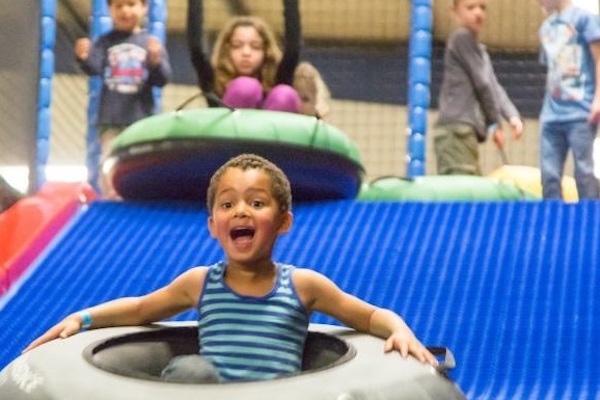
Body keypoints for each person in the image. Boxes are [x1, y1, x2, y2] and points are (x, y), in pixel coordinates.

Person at [24, 153, 437, 383]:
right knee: (192, 370)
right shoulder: (200, 282)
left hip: (274, 395)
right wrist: (83, 317)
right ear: (213, 226)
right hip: (209, 393)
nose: (241, 210)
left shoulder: (303, 285)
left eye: (257, 203)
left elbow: (366, 315)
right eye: (228, 204)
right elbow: (140, 310)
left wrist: (399, 330)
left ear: (283, 222)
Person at [75, 0, 172, 199]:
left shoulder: (150, 42)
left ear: (144, 7)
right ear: (110, 10)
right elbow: (93, 67)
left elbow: (162, 79)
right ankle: (112, 197)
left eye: (131, 4)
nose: (125, 10)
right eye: (119, 6)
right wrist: (83, 56)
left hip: (141, 119)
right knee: (109, 160)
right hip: (111, 117)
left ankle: (141, 195)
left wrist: (155, 61)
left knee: (141, 161)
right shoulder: (105, 42)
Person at [433, 0, 524, 175]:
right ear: (455, 12)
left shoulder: (480, 51)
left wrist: (512, 116)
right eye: (470, 7)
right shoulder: (461, 38)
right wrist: (495, 123)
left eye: (482, 7)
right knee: (461, 188)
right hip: (455, 131)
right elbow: (483, 84)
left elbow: (493, 86)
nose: (478, 13)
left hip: (463, 132)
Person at [187, 0, 302, 113]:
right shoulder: (213, 80)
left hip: (270, 127)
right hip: (226, 131)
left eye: (255, 46)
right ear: (226, 50)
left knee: (285, 94)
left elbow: (292, 51)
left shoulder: (277, 78)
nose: (246, 53)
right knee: (246, 87)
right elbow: (196, 49)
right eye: (237, 45)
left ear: (266, 51)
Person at [536, 0, 600, 199]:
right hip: (551, 114)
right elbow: (552, 70)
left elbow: (598, 58)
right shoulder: (546, 28)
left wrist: (598, 98)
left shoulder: (583, 19)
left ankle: (590, 220)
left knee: (584, 172)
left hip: (581, 111)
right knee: (549, 174)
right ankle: (552, 221)